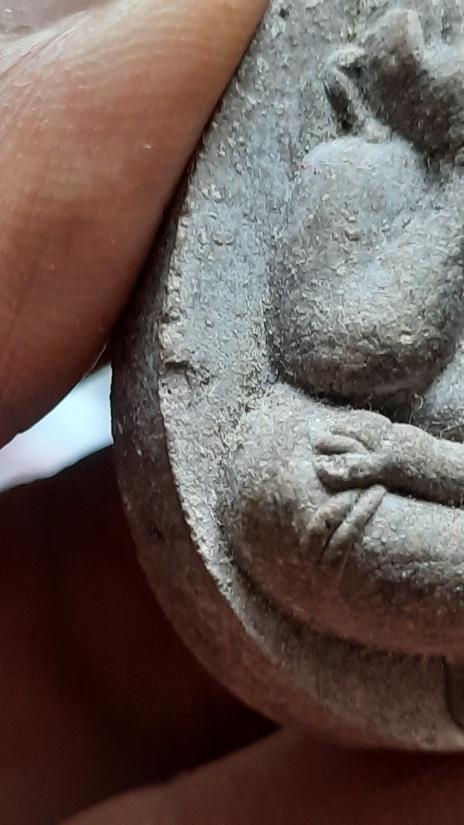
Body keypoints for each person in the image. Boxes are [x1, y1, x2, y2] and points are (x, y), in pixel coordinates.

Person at [1, 1, 464, 823]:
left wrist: (411, 459)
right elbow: (340, 349)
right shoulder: (356, 171)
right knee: (275, 481)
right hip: (341, 460)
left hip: (428, 484)